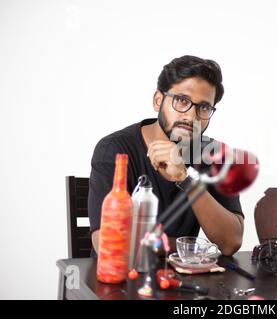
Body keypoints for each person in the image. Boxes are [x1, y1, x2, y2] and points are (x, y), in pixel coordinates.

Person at [88, 55, 244, 257]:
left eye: (204, 107)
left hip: (191, 283)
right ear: (158, 100)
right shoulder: (114, 149)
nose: (191, 116)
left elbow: (230, 242)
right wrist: (190, 247)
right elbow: (107, 244)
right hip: (122, 282)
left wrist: (186, 180)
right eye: (182, 100)